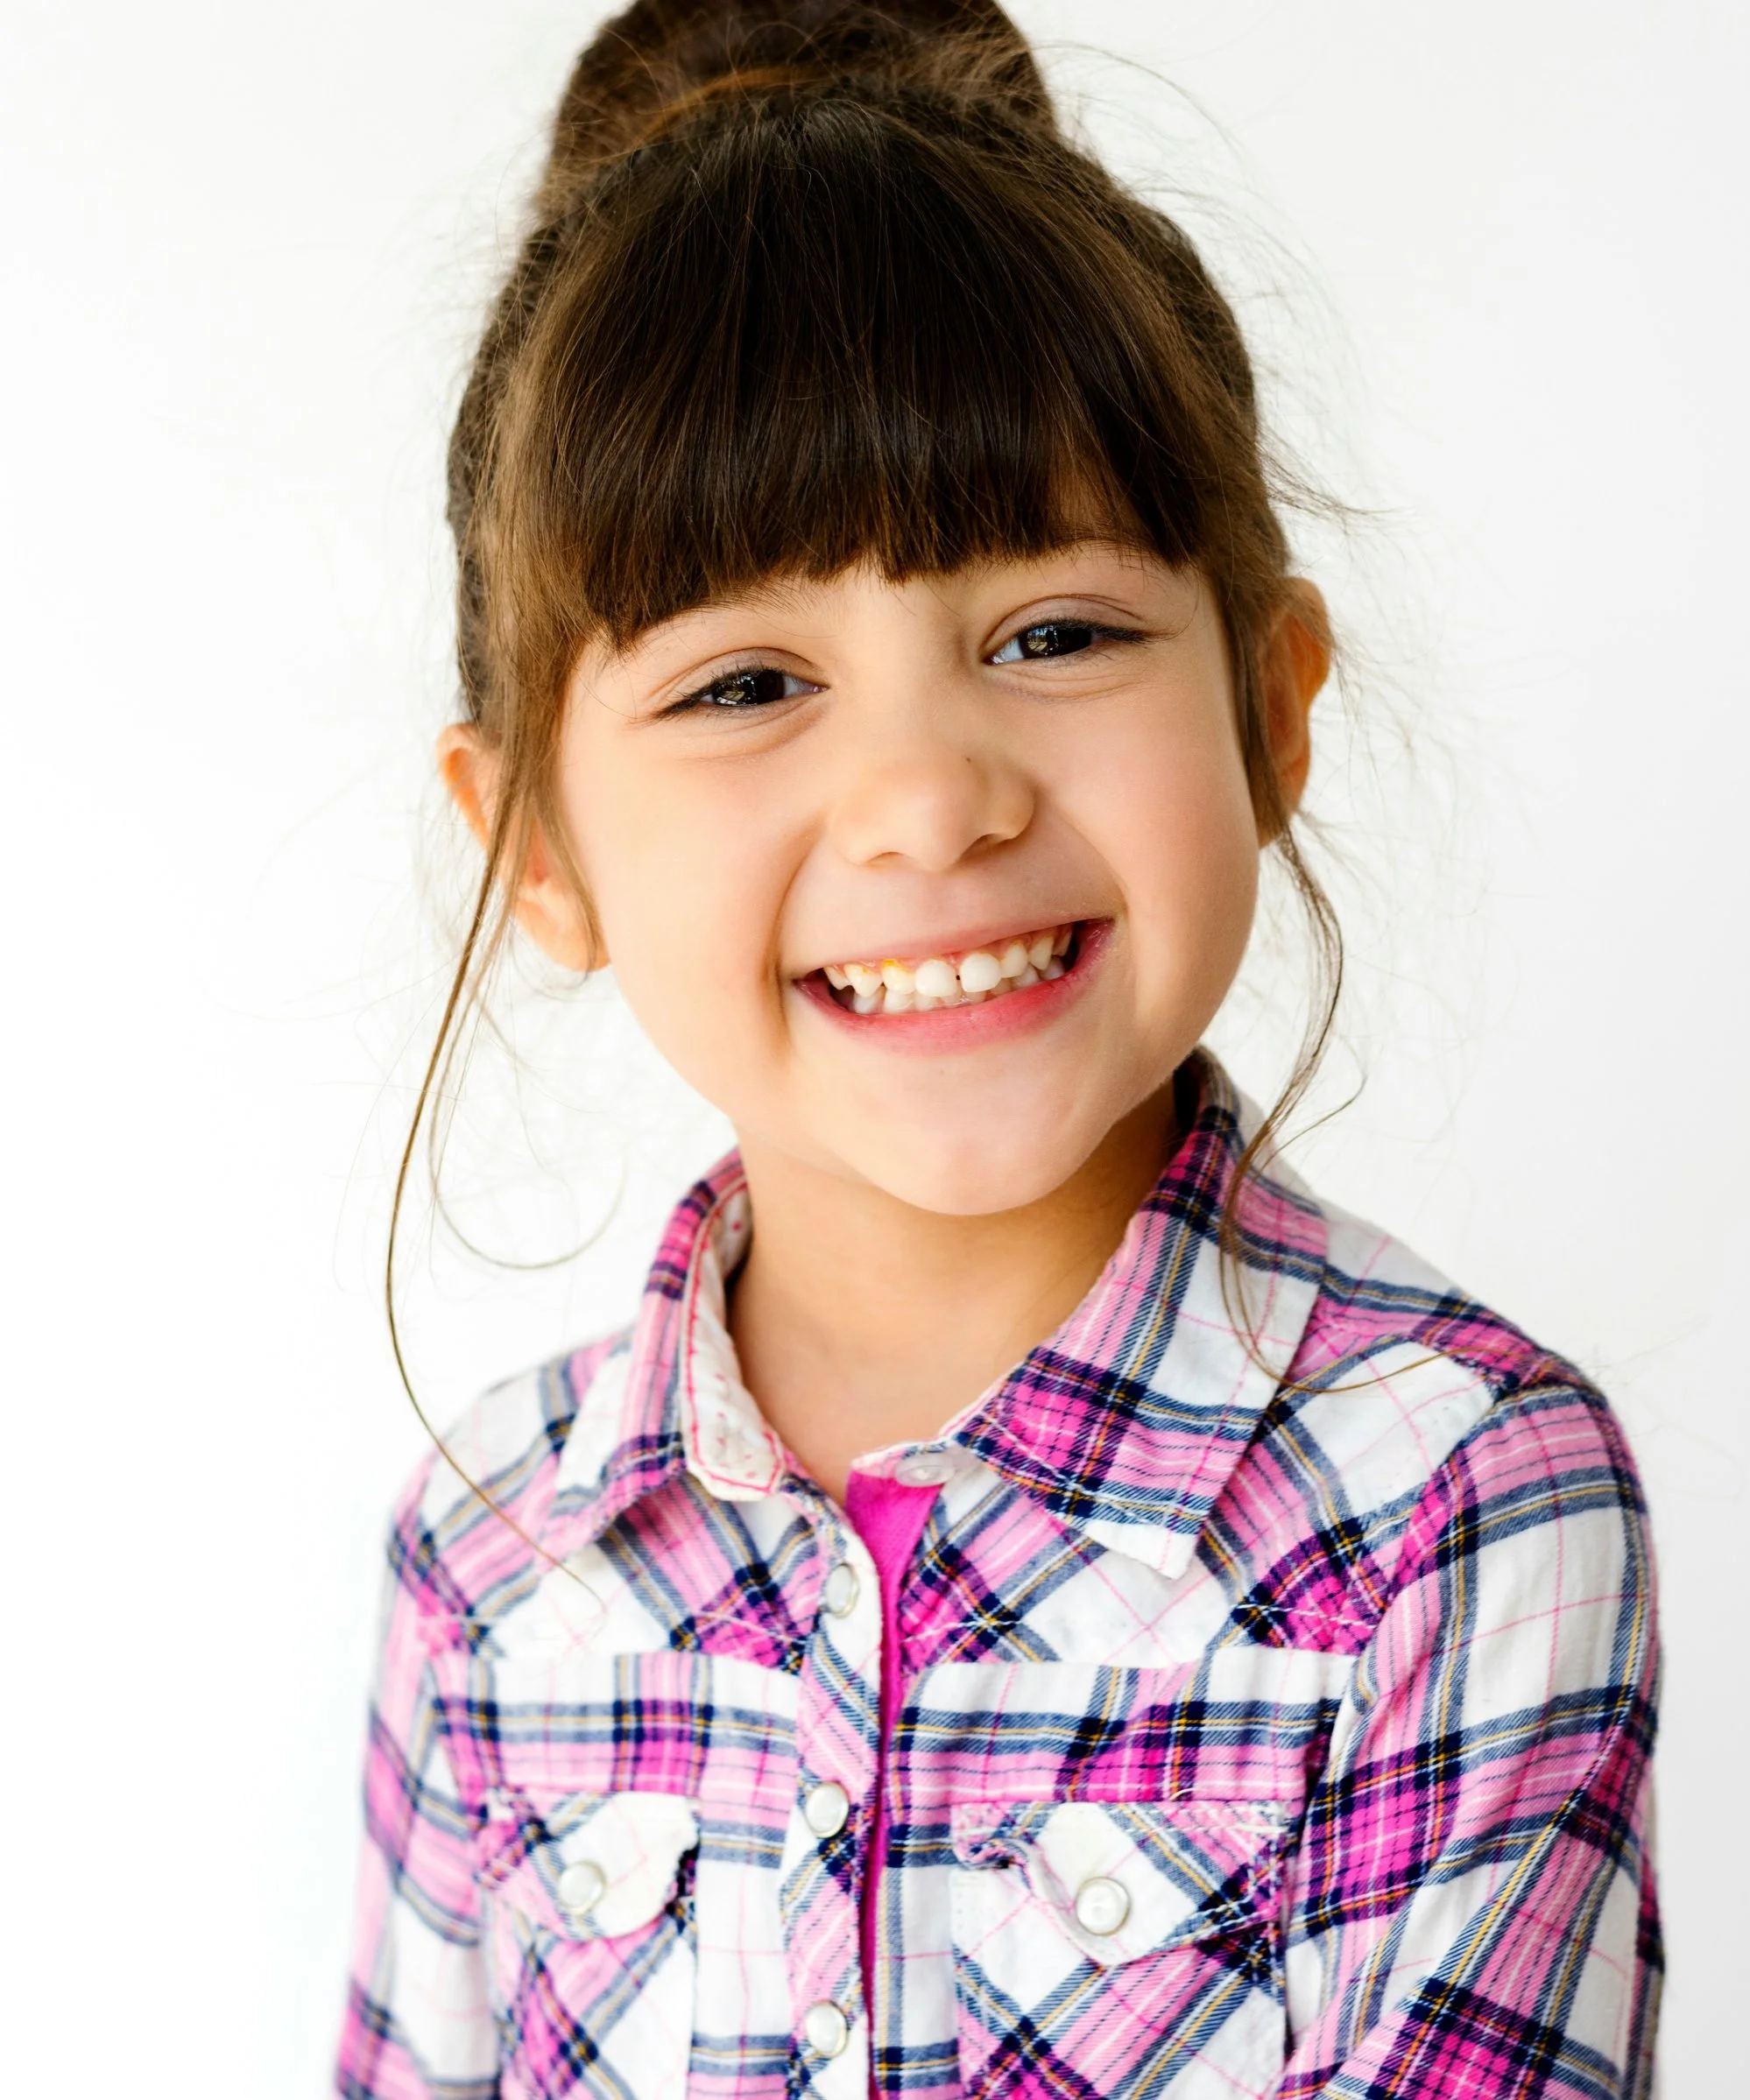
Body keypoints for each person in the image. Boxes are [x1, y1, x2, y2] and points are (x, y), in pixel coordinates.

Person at [336, 4, 1661, 2095]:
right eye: (748, 678)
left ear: (1273, 705)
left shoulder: (1453, 1498)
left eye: (1048, 635)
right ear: (537, 846)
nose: (924, 798)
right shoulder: (494, 1550)